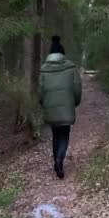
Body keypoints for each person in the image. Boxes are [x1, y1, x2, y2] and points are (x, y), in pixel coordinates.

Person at [40, 36, 82, 179]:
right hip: (66, 109)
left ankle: (56, 161)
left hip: (50, 109)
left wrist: (43, 104)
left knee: (55, 135)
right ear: (62, 54)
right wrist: (75, 102)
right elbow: (77, 89)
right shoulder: (71, 68)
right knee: (64, 134)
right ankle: (59, 160)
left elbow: (40, 92)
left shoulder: (43, 70)